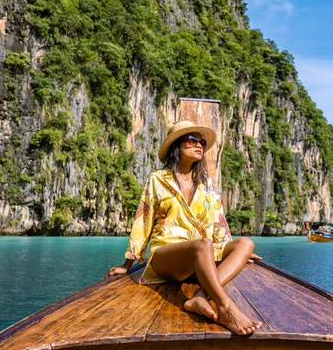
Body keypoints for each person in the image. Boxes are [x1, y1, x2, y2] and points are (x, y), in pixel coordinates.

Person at [107, 120, 262, 335]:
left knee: (245, 243)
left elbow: (218, 222)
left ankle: (201, 296)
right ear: (177, 146)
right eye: (192, 140)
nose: (199, 145)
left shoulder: (206, 182)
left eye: (201, 142)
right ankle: (226, 307)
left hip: (201, 255)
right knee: (203, 245)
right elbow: (143, 221)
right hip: (166, 257)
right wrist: (127, 264)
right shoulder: (158, 179)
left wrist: (235, 251)